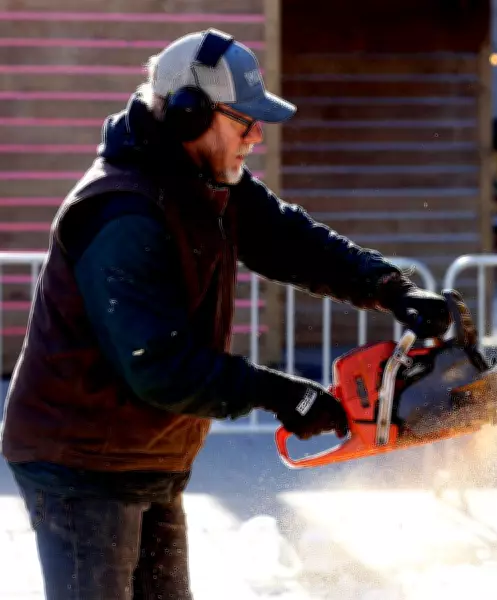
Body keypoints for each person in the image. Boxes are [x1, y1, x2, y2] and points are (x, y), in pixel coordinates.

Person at [0, 29, 451, 599]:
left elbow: (291, 239)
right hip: (80, 463)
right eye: (244, 122)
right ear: (190, 115)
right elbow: (159, 365)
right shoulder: (122, 214)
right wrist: (279, 392)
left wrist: (390, 289)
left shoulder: (208, 184)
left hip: (147, 455)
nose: (257, 136)